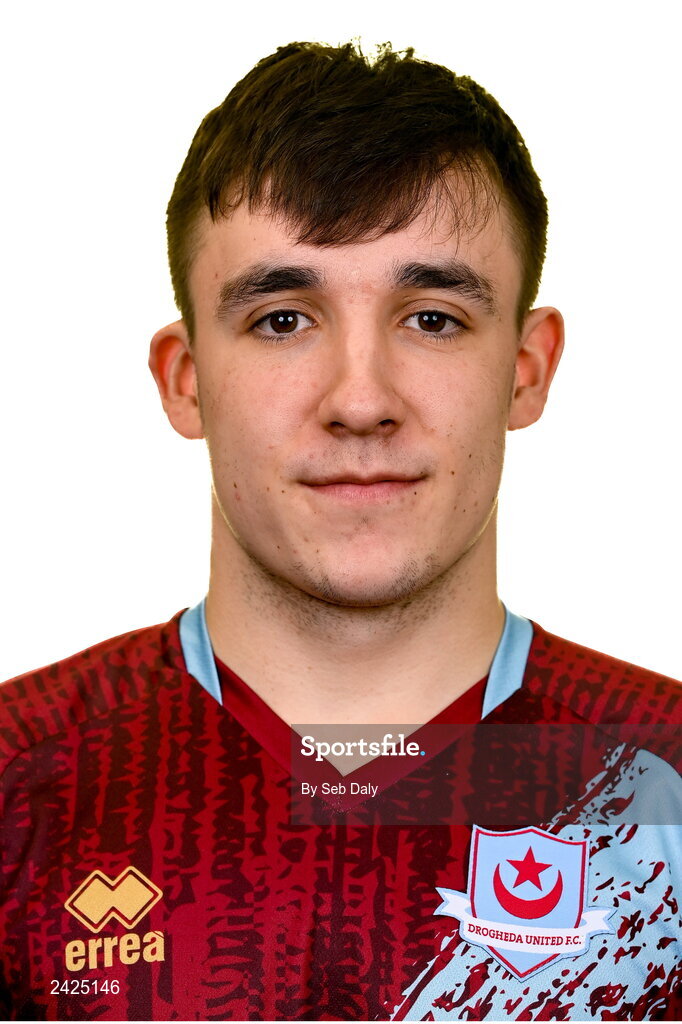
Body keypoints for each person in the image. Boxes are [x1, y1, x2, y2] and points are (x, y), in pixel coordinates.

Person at [0, 40, 679, 1022]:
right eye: (283, 318)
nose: (360, 402)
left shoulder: (661, 786)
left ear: (525, 370)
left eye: (433, 318)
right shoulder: (22, 781)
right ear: (185, 379)